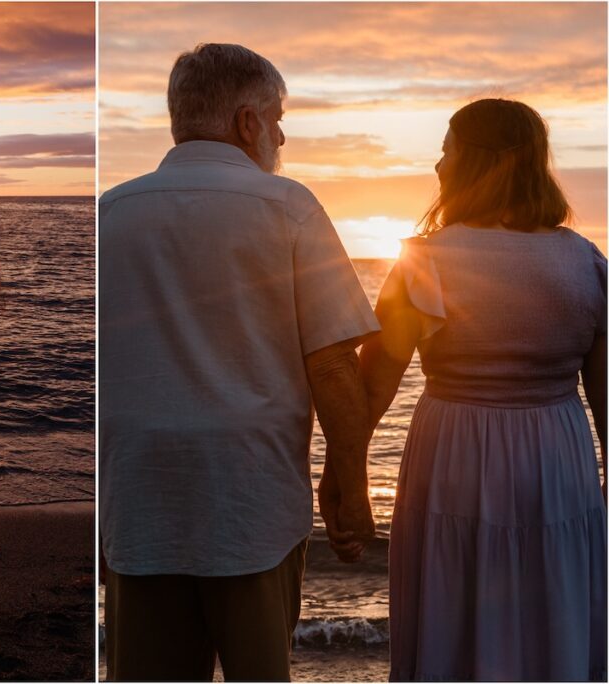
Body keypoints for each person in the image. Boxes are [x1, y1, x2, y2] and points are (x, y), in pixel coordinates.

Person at [99, 43, 379, 681]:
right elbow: (334, 367)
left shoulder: (109, 213)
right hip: (248, 501)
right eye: (277, 117)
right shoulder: (289, 206)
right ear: (247, 122)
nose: (282, 134)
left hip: (139, 496)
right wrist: (350, 487)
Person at [360, 98, 607, 681]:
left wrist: (345, 475)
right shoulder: (588, 262)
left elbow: (373, 388)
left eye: (446, 151)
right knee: (557, 618)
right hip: (558, 465)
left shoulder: (424, 261)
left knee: (454, 621)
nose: (438, 166)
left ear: (477, 163)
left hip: (454, 460)